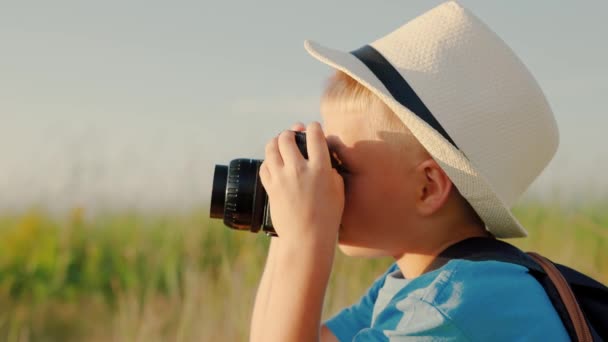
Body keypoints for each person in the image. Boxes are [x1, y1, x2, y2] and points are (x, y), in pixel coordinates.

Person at [250, 1, 570, 341]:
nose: (324, 179)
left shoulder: (449, 306)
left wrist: (302, 240)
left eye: (339, 164)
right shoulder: (416, 282)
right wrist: (282, 221)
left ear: (427, 187)